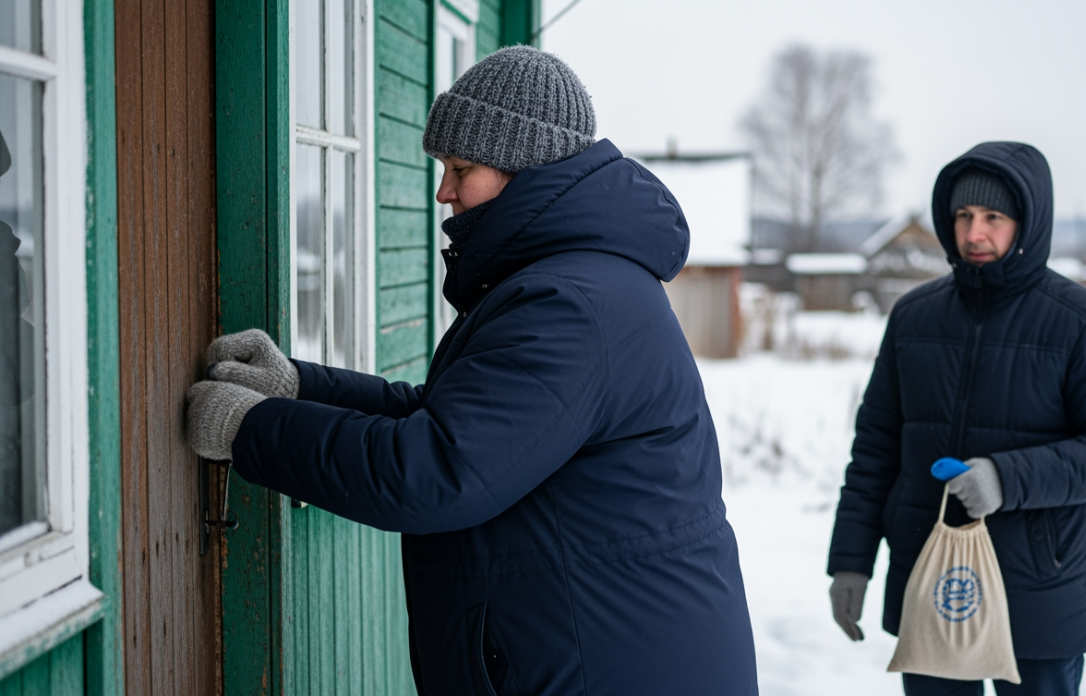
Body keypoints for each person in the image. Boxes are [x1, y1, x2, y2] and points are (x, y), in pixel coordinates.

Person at [186, 46, 758, 696]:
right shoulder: (572, 282)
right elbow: (453, 421)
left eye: (462, 168)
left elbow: (435, 471)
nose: (443, 191)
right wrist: (297, 388)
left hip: (611, 667)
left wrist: (250, 429)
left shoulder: (572, 304)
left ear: (529, 169)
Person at [826, 142, 1086, 695]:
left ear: (1027, 223)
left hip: (1036, 597)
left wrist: (1006, 479)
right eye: (963, 216)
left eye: (993, 218)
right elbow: (876, 449)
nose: (974, 233)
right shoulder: (913, 317)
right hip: (932, 587)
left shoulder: (1083, 322)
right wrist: (851, 560)